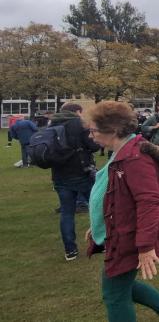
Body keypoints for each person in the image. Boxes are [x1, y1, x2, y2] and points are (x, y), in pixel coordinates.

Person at [83, 101, 159, 322]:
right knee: (121, 284)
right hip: (121, 232)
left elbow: (149, 203)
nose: (90, 136)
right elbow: (115, 195)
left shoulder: (135, 158)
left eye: (93, 130)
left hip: (130, 237)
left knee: (114, 293)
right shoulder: (121, 152)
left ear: (112, 130)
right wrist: (98, 224)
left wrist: (145, 247)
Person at [49, 103, 100, 261]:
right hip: (81, 171)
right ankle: (100, 241)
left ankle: (70, 250)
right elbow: (92, 145)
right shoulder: (78, 124)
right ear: (77, 112)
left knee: (66, 212)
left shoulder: (52, 123)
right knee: (96, 207)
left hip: (59, 174)